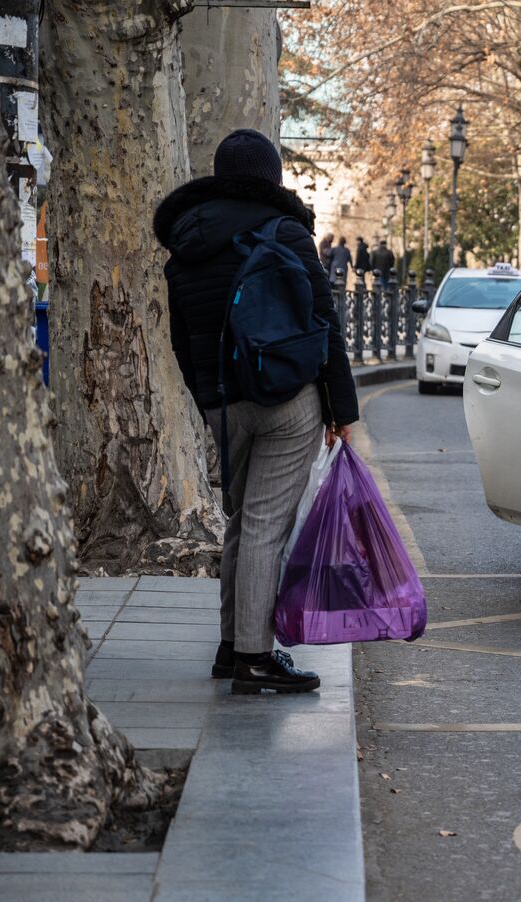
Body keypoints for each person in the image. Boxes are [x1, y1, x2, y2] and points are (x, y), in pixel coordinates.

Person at [154, 128, 359, 695]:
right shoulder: (285, 231)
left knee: (243, 523)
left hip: (223, 404)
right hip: (287, 399)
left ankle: (229, 646)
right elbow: (325, 325)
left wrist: (207, 402)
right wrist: (342, 411)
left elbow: (180, 338)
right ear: (271, 178)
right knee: (268, 525)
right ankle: (254, 657)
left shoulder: (186, 243)